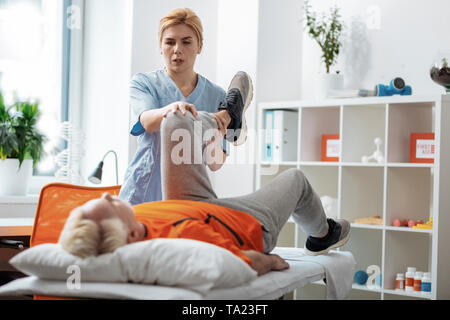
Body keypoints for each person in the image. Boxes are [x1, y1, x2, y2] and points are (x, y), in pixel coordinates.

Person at [59, 72, 350, 277]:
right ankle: (322, 234)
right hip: (246, 225)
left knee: (175, 118)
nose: (109, 194)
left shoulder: (134, 223)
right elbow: (242, 264)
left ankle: (226, 116)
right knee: (296, 180)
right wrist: (270, 263)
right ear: (132, 234)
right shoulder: (181, 241)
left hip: (192, 204)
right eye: (108, 204)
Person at [119, 8, 236, 205]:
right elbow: (147, 122)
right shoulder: (143, 83)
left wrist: (215, 138)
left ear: (199, 46)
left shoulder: (218, 96)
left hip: (188, 199)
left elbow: (215, 164)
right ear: (160, 46)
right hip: (142, 194)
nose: (177, 49)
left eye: (186, 42)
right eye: (170, 42)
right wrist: (173, 110)